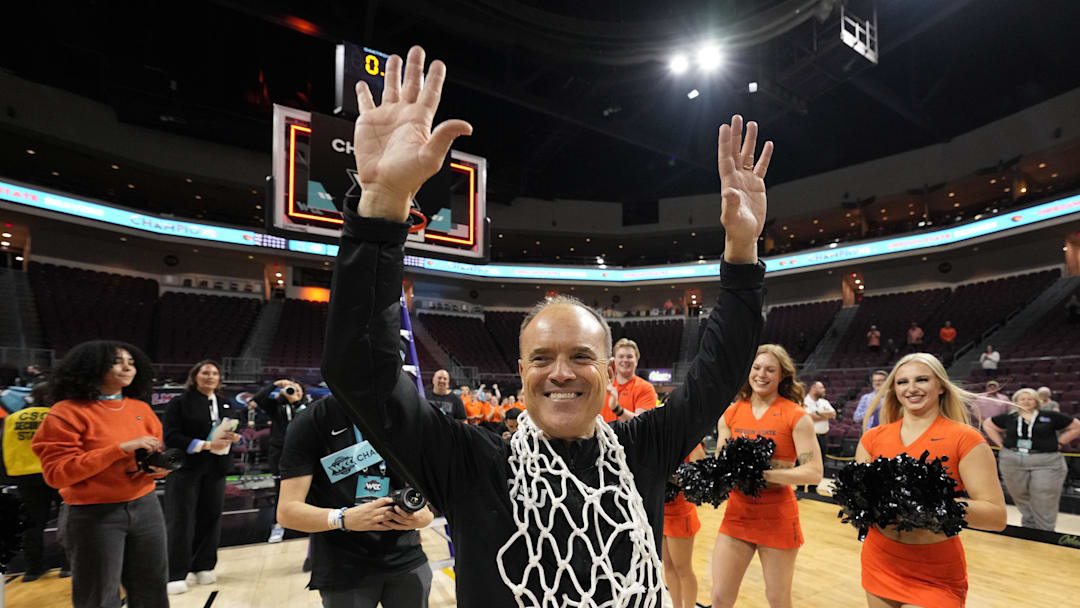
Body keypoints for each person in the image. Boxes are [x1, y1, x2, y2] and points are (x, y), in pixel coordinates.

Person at [320, 46, 769, 606]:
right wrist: (382, 206)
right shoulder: (470, 461)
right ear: (520, 371)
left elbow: (720, 370)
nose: (562, 372)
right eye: (542, 357)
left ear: (607, 371)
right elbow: (360, 370)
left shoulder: (643, 448)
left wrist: (743, 252)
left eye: (581, 356)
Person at [857, 353, 1006, 607]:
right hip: (880, 558)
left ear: (940, 387)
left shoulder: (965, 439)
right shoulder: (872, 438)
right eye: (902, 382)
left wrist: (926, 504)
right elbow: (860, 499)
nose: (911, 388)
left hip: (935, 570)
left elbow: (996, 516)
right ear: (894, 389)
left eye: (922, 380)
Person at [31, 340, 172, 608]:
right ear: (92, 367)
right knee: (98, 595)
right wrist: (118, 449)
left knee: (152, 588)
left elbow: (149, 458)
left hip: (146, 506)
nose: (127, 368)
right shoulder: (65, 412)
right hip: (93, 514)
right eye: (117, 362)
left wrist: (156, 470)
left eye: (131, 362)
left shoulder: (140, 409)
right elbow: (57, 474)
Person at [277, 395, 435, 607]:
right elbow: (287, 512)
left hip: (408, 560)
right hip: (345, 569)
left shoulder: (404, 416)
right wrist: (342, 518)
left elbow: (422, 488)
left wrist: (425, 514)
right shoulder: (312, 420)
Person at [711, 345, 823, 608]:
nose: (762, 374)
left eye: (770, 369)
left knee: (777, 599)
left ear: (782, 375)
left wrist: (763, 475)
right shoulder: (731, 413)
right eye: (756, 368)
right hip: (737, 515)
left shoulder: (796, 416)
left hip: (778, 518)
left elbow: (814, 472)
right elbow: (720, 460)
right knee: (719, 597)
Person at [162, 360, 242, 595]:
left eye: (214, 373)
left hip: (216, 469)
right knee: (181, 520)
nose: (210, 376)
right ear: (195, 376)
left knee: (211, 517)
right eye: (205, 372)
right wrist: (207, 445)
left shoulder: (226, 404)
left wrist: (234, 439)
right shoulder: (179, 403)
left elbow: (229, 434)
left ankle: (203, 566)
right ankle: (176, 573)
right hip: (187, 469)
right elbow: (172, 437)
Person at [983, 388, 1080, 531]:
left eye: (1030, 398)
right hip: (1012, 461)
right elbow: (988, 424)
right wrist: (1000, 444)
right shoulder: (1010, 417)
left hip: (1046, 462)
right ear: (1016, 402)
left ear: (1036, 401)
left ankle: (1044, 532)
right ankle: (1029, 528)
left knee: (1043, 496)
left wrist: (1060, 443)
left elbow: (1076, 426)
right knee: (1019, 494)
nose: (1026, 401)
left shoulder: (1050, 416)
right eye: (1022, 399)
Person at [2, 382, 70, 581]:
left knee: (32, 523)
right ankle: (69, 566)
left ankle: (33, 569)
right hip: (57, 473)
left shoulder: (12, 418)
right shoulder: (59, 416)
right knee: (68, 520)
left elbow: (5, 446)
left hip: (25, 476)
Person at [250, 378, 307, 543]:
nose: (293, 392)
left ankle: (306, 522)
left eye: (297, 389)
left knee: (307, 488)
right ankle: (278, 524)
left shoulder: (308, 408)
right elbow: (259, 398)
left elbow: (306, 416)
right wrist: (275, 384)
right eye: (290, 389)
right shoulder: (276, 407)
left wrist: (295, 402)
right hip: (280, 452)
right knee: (281, 490)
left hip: (302, 452)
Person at [663, 443, 706, 608]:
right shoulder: (658, 441)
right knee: (667, 566)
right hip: (661, 510)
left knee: (683, 569)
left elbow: (697, 481)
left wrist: (664, 475)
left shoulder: (693, 446)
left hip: (681, 513)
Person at [600, 338, 658, 422]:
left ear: (636, 361)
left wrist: (617, 408)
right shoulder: (603, 387)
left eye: (629, 356)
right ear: (614, 360)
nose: (625, 360)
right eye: (621, 356)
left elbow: (642, 424)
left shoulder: (646, 388)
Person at [802, 381, 835, 493]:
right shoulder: (804, 401)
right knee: (804, 461)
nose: (824, 389)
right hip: (807, 436)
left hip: (822, 436)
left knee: (819, 463)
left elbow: (833, 414)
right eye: (821, 387)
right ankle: (800, 487)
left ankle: (812, 487)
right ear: (813, 388)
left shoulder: (824, 402)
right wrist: (823, 414)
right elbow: (808, 417)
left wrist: (817, 414)